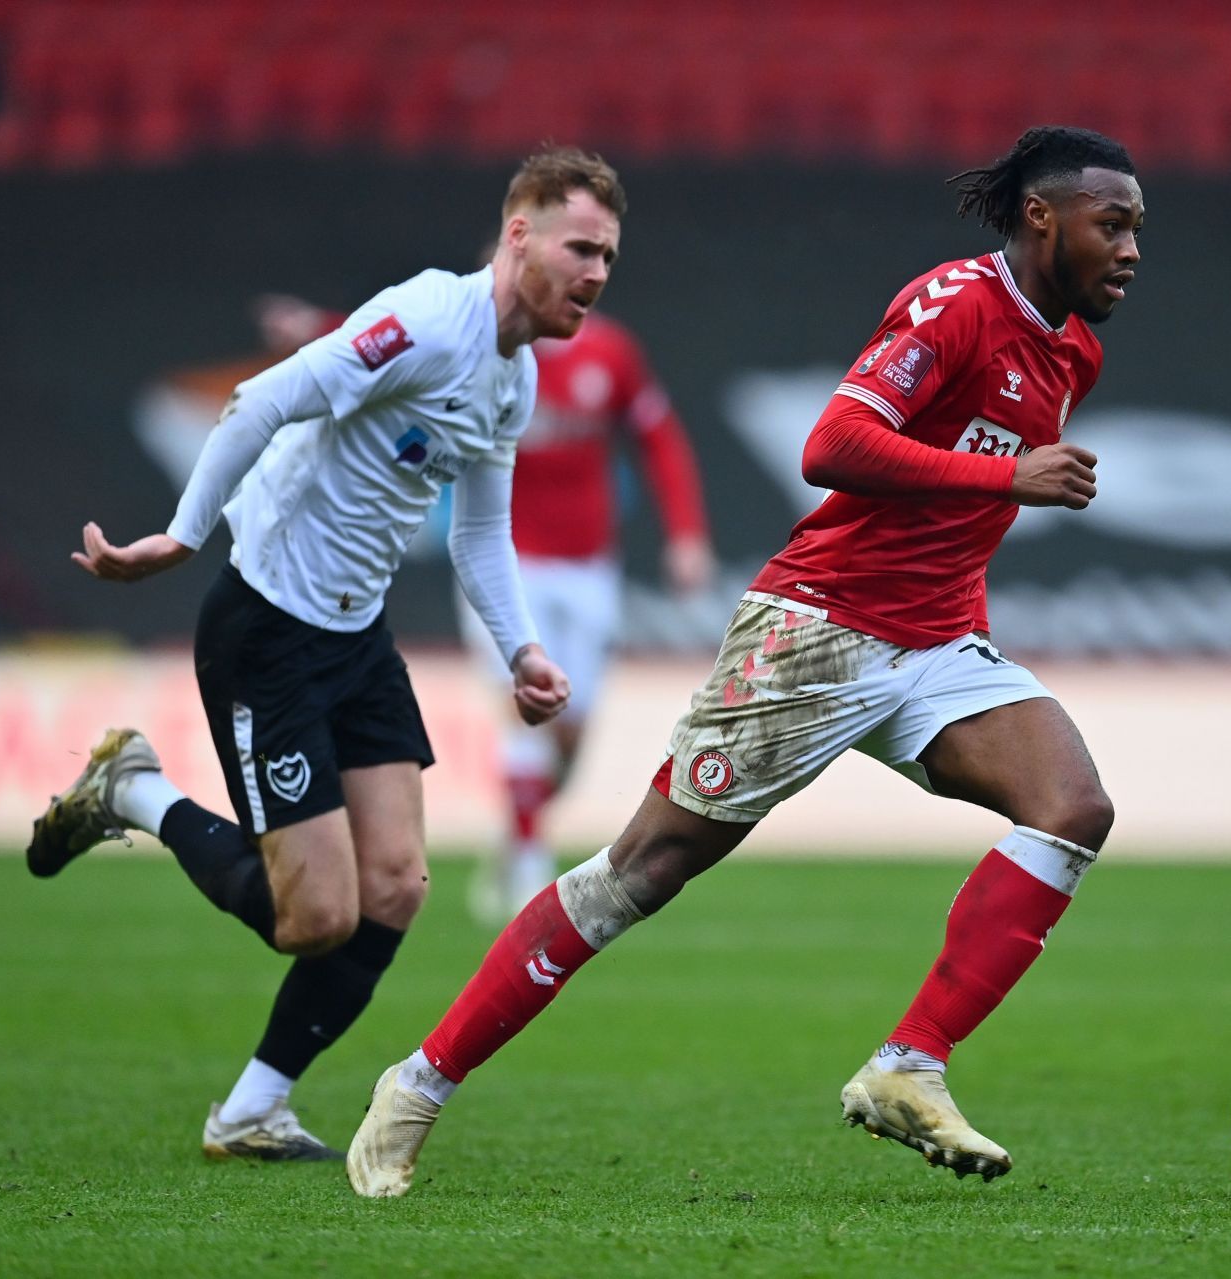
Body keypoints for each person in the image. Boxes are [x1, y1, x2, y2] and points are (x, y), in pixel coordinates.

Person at [346, 125, 1144, 1198]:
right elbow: (833, 446)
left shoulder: (1073, 351)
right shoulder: (956, 304)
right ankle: (416, 1086)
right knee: (641, 874)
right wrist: (1006, 482)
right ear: (1044, 219)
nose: (1133, 247)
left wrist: (969, 572)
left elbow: (951, 518)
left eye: (1138, 226)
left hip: (937, 638)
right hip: (814, 632)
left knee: (1072, 804)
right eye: (1115, 224)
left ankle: (909, 1065)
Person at [24, 146, 626, 1162]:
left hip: (356, 636)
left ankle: (252, 1109)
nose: (598, 273)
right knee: (314, 917)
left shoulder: (514, 378)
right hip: (268, 630)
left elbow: (481, 531)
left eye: (609, 255)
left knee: (395, 888)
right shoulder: (429, 321)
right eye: (581, 248)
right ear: (518, 234)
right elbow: (264, 400)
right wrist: (181, 532)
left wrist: (519, 646)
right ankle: (132, 792)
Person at [458, 305, 714, 921]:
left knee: (570, 740)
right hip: (507, 562)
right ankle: (527, 867)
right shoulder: (478, 352)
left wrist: (686, 532)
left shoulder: (611, 354)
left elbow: (659, 437)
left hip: (589, 568)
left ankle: (519, 829)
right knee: (524, 709)